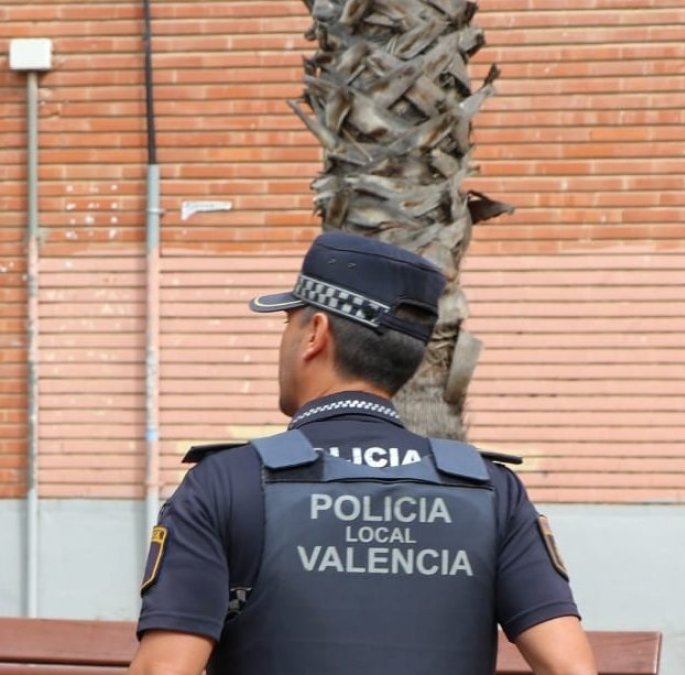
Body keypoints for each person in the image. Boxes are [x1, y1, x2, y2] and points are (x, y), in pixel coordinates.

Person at [129, 231, 597, 675]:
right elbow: (568, 666)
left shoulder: (227, 482)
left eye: (288, 323)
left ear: (315, 332)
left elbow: (164, 667)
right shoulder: (490, 489)